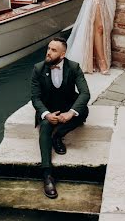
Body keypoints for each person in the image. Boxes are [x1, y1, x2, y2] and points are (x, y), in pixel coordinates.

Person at [31, 37, 90, 199]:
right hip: (48, 109)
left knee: (83, 111)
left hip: (67, 108)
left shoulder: (74, 67)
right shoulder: (38, 68)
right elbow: (35, 98)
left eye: (54, 50)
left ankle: (58, 136)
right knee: (44, 127)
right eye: (48, 48)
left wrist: (71, 112)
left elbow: (85, 93)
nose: (49, 52)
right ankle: (47, 174)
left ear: (62, 54)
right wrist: (46, 114)